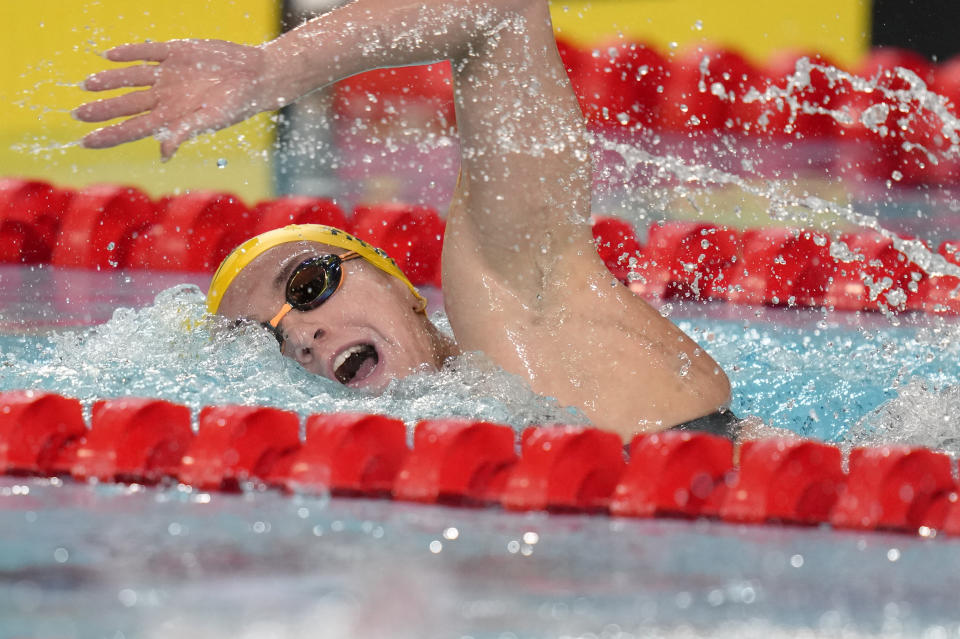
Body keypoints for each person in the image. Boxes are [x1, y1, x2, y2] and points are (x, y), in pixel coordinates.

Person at [73, 0, 734, 441]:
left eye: (307, 284)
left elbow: (502, 9)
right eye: (266, 342)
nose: (300, 335)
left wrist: (278, 67)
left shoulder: (520, 313)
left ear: (401, 286)